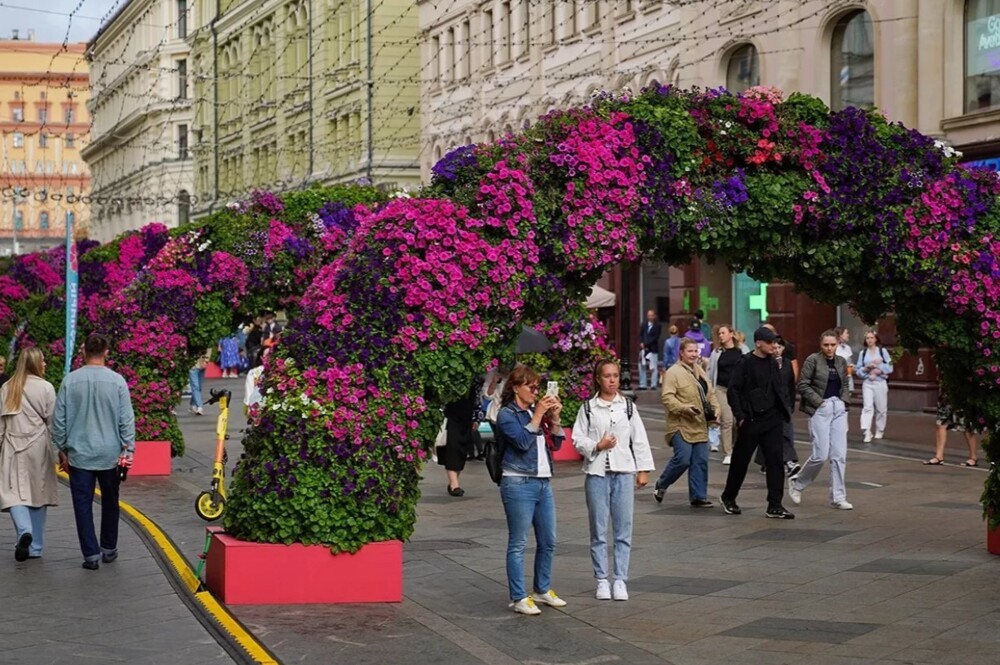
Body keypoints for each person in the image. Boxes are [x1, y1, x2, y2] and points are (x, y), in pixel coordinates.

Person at [572, 359, 654, 601]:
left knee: (623, 528)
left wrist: (643, 469)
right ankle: (601, 579)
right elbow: (577, 438)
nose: (612, 380)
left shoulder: (627, 407)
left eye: (615, 376)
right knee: (598, 529)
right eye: (607, 376)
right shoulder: (588, 408)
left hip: (623, 471)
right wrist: (597, 445)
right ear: (598, 379)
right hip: (597, 473)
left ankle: (620, 579)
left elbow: (639, 438)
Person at [52, 334, 135, 570]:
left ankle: (90, 554)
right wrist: (128, 451)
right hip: (110, 454)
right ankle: (108, 548)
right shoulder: (117, 382)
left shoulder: (70, 381)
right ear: (106, 352)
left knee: (82, 505)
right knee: (111, 501)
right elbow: (126, 420)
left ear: (83, 351)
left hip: (79, 454)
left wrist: (61, 449)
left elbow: (59, 421)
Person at [495, 364, 565, 615]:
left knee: (548, 540)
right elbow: (523, 442)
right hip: (518, 482)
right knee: (518, 542)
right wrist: (538, 416)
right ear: (516, 388)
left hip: (543, 482)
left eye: (537, 387)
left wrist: (554, 418)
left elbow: (556, 444)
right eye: (531, 387)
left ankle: (541, 589)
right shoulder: (507, 414)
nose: (536, 391)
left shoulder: (536, 412)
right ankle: (518, 597)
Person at [720, 326, 794, 519]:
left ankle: (775, 505)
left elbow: (780, 388)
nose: (773, 346)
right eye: (770, 342)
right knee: (740, 461)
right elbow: (733, 390)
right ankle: (729, 497)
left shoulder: (773, 363)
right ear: (759, 343)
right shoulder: (744, 363)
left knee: (775, 462)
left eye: (775, 342)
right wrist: (741, 417)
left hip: (772, 419)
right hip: (751, 420)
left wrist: (784, 411)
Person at [0, 348, 58, 561]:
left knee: (12, 493)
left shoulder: (7, 387)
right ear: (36, 363)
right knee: (38, 493)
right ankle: (35, 547)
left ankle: (24, 531)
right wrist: (61, 450)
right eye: (43, 360)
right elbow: (53, 421)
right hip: (38, 446)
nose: (45, 364)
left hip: (12, 445)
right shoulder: (46, 387)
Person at [788, 330, 853, 510]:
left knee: (839, 455)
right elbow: (803, 384)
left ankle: (838, 497)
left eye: (833, 344)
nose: (830, 348)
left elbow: (845, 383)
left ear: (837, 344)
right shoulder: (813, 360)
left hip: (838, 408)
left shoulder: (841, 361)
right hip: (820, 409)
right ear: (820, 345)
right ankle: (798, 482)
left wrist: (844, 401)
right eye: (826, 345)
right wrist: (819, 402)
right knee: (820, 455)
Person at [653, 338, 720, 508]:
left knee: (700, 460)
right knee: (683, 459)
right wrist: (684, 408)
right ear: (681, 353)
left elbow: (710, 394)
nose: (693, 354)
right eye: (690, 351)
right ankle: (661, 484)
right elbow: (667, 398)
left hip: (700, 423)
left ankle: (698, 496)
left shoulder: (700, 371)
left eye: (696, 351)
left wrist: (716, 410)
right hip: (680, 423)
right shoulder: (673, 372)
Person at [706, 324, 748, 463]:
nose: (720, 336)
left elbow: (749, 367)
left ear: (731, 334)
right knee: (727, 420)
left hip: (738, 390)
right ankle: (728, 453)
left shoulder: (742, 350)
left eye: (723, 333)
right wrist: (709, 389)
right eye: (719, 333)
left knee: (737, 421)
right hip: (721, 389)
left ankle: (736, 447)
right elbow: (710, 371)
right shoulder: (717, 352)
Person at [438, 381, 482, 496]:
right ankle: (454, 484)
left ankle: (453, 481)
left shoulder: (473, 380)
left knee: (461, 449)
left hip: (466, 417)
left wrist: (476, 418)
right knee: (453, 447)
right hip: (451, 416)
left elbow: (477, 398)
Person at [925, 389, 980, 467]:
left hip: (961, 393)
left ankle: (973, 457)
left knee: (966, 425)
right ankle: (939, 456)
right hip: (946, 394)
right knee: (941, 423)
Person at [856, 331, 892, 443]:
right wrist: (866, 368)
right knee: (867, 407)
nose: (870, 340)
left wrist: (879, 367)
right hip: (868, 382)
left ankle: (880, 429)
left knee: (881, 408)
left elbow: (890, 367)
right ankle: (866, 430)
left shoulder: (882, 351)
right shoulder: (863, 353)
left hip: (880, 382)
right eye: (867, 338)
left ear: (876, 339)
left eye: (872, 338)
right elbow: (858, 370)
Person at [638, 310, 662, 390]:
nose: (650, 317)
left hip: (653, 348)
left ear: (654, 316)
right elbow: (641, 334)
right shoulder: (644, 324)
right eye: (648, 315)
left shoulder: (658, 325)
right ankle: (642, 384)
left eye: (651, 315)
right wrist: (641, 342)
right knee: (642, 365)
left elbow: (656, 337)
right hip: (643, 349)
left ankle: (653, 384)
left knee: (653, 367)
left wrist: (646, 343)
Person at [834, 327, 855, 395]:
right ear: (840, 335)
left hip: (848, 378)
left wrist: (853, 367)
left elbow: (850, 363)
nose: (848, 335)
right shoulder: (834, 348)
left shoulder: (848, 348)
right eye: (846, 333)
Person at [189, 351, 210, 415]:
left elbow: (208, 351)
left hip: (202, 367)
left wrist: (206, 361)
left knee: (199, 387)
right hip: (193, 366)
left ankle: (193, 404)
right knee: (196, 386)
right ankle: (199, 407)